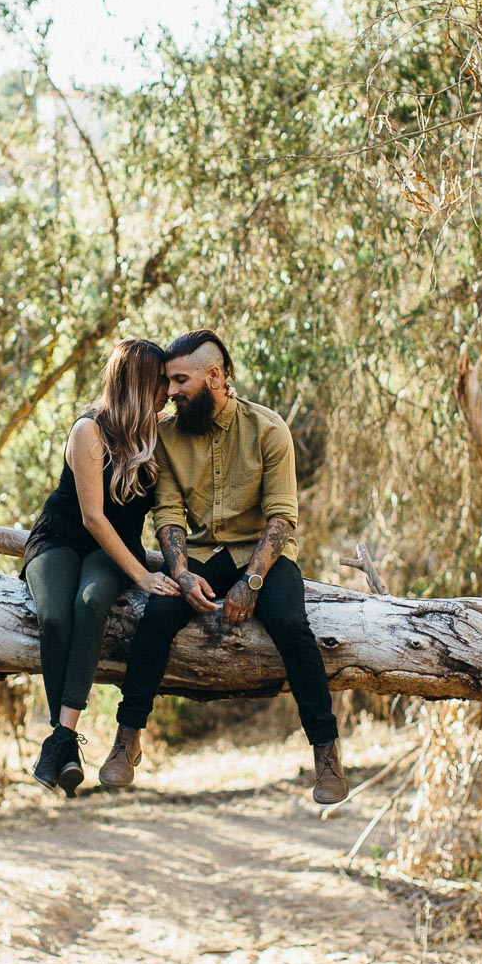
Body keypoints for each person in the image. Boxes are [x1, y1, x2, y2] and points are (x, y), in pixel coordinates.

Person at [98, 330, 351, 804]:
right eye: (168, 382)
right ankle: (127, 738)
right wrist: (180, 573)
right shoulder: (167, 435)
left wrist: (251, 582)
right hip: (201, 556)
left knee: (292, 626)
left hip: (263, 556)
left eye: (180, 380)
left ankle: (326, 754)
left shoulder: (268, 428)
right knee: (156, 615)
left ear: (214, 376)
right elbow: (168, 513)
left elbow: (282, 518)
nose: (170, 391)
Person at [20, 338, 180, 795]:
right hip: (60, 539)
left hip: (113, 550)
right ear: (139, 384)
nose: (169, 391)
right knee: (55, 616)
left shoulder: (160, 432)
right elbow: (92, 517)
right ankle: (65, 741)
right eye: (161, 381)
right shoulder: (88, 430)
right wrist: (142, 576)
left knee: (91, 603)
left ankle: (59, 741)